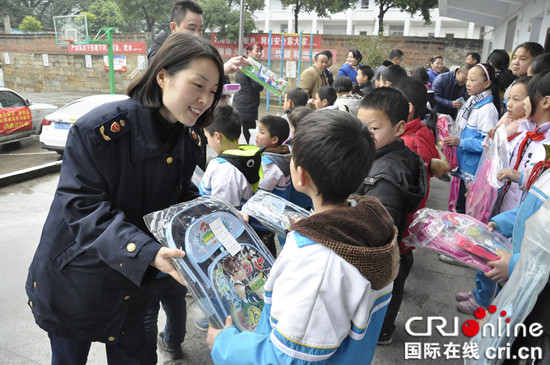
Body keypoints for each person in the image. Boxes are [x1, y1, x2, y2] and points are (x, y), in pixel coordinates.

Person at [25, 33, 224, 365]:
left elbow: (181, 196)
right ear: (163, 76)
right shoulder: (99, 132)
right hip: (77, 280)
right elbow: (84, 209)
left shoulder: (189, 137)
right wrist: (147, 251)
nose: (205, 99)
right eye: (198, 85)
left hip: (135, 286)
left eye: (213, 91)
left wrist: (219, 217)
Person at [207, 109, 399, 365]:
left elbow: (285, 359)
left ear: (301, 174)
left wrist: (224, 342)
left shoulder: (318, 268)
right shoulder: (368, 224)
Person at [456, 71, 550, 314]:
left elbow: (536, 189)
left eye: (524, 97)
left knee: (502, 262)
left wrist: (516, 176)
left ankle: (487, 301)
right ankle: (482, 295)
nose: (513, 103)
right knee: (491, 251)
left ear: (544, 102)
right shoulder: (523, 129)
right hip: (508, 208)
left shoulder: (541, 140)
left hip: (521, 214)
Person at [355, 87, 428, 345]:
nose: (364, 135)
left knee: (387, 290)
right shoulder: (393, 155)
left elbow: (379, 230)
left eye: (373, 129)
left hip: (386, 251)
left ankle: (381, 332)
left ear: (398, 128)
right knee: (394, 287)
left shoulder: (385, 177)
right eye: (360, 127)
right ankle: (383, 329)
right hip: (400, 247)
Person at [443, 63, 500, 214]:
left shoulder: (487, 110)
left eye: (473, 80)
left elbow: (488, 144)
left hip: (473, 170)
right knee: (459, 204)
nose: (468, 83)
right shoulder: (472, 102)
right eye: (468, 79)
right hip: (464, 166)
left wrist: (460, 142)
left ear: (487, 84)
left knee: (466, 208)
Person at [199, 104, 262, 209]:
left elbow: (224, 214)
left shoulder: (226, 173)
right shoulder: (240, 157)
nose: (208, 141)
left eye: (207, 137)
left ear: (217, 136)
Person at [233, 42, 264, 144]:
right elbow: (257, 86)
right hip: (246, 106)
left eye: (261, 51)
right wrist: (263, 80)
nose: (259, 53)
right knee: (247, 136)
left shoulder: (244, 63)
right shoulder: (251, 66)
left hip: (242, 104)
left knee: (242, 134)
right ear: (249, 52)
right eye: (257, 51)